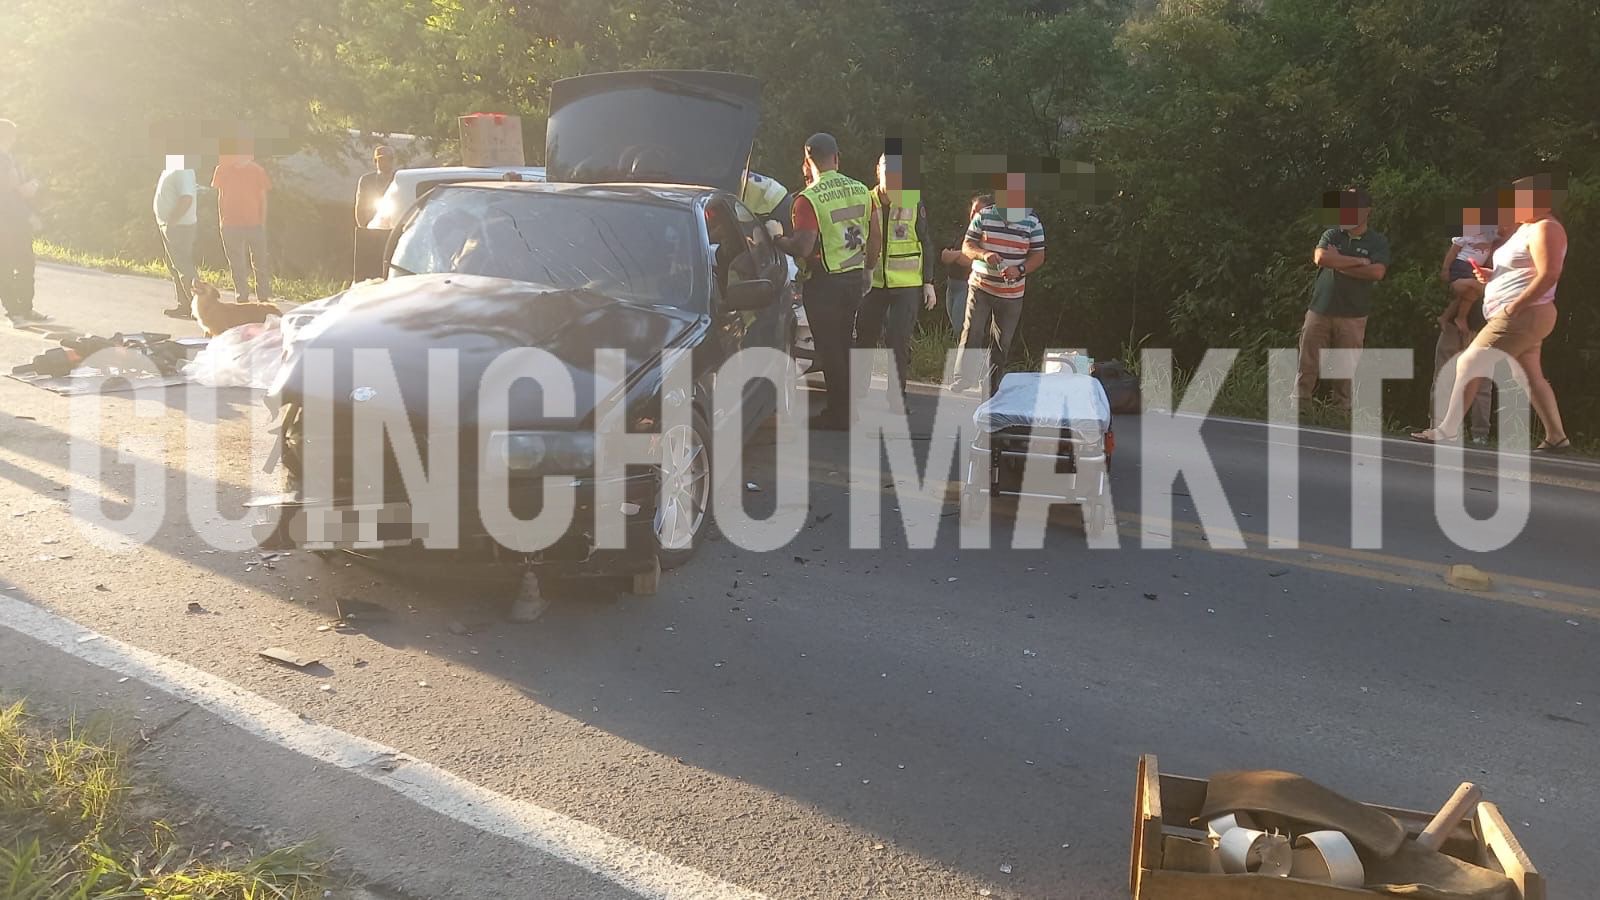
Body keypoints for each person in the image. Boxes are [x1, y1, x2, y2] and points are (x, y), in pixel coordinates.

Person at [1413, 174, 1571, 453]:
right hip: (1524, 314)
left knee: (1469, 362)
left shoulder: (1546, 228)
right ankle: (1556, 436)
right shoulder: (1525, 229)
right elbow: (1522, 269)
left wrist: (1514, 307)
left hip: (1525, 314)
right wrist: (1491, 275)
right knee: (1529, 375)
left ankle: (1448, 430)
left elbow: (1549, 274)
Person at [774, 133, 879, 430]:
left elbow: (803, 247)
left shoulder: (809, 198)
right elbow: (875, 236)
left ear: (807, 161)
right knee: (844, 345)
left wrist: (777, 239)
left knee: (831, 350)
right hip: (854, 278)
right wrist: (869, 270)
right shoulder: (861, 190)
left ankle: (839, 415)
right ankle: (847, 410)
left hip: (825, 283)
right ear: (836, 157)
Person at [854, 150, 937, 412]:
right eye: (887, 170)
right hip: (872, 282)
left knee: (898, 340)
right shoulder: (865, 200)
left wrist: (928, 282)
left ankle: (896, 399)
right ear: (877, 171)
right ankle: (857, 394)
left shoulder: (912, 200)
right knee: (865, 337)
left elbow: (925, 241)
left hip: (906, 284)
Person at [1295, 187, 1389, 412]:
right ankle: (1300, 406)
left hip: (1354, 314)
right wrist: (1359, 262)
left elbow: (1377, 272)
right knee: (1307, 360)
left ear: (1366, 211)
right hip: (1320, 308)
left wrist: (1338, 262)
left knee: (1345, 367)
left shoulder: (1376, 241)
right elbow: (1320, 258)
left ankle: (1340, 413)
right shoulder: (1332, 234)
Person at [954, 173, 1045, 394]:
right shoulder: (984, 216)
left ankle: (992, 385)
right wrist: (984, 254)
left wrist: (1020, 270)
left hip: (1012, 292)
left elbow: (1038, 256)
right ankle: (963, 377)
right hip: (981, 285)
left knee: (1002, 341)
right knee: (973, 330)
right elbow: (967, 245)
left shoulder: (1032, 222)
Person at [1427, 196, 1498, 443]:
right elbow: (1451, 278)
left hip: (1484, 325)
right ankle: (1438, 426)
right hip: (1456, 324)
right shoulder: (1468, 236)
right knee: (1444, 375)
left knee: (1481, 382)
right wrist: (1447, 272)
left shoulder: (1507, 246)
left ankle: (1480, 435)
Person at [212, 148, 273, 301]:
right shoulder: (222, 170)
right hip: (230, 224)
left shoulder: (257, 171)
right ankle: (242, 297)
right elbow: (220, 197)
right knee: (237, 264)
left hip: (254, 224)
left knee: (260, 263)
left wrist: (262, 223)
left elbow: (263, 198)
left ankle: (263, 299)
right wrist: (221, 221)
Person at [0, 119, 45, 324]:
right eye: (12, 135)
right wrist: (28, 213)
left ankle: (26, 308)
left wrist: (32, 185)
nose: (14, 139)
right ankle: (14, 311)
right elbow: (6, 194)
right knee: (5, 265)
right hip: (5, 220)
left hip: (18, 219)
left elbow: (21, 185)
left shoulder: (12, 159)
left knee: (26, 263)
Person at [154, 155, 200, 318]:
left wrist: (172, 221)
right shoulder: (171, 168)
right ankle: (185, 305)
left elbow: (186, 198)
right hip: (169, 225)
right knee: (175, 267)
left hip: (179, 226)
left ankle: (200, 307)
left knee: (184, 268)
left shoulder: (182, 169)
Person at [940, 193, 992, 332]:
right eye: (973, 210)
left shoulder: (985, 237)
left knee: (961, 329)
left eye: (979, 212)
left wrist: (957, 254)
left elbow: (966, 261)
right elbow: (944, 255)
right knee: (956, 327)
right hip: (952, 285)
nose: (974, 214)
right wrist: (961, 253)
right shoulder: (965, 231)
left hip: (966, 286)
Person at [353, 145, 397, 281]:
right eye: (381, 159)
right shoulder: (367, 180)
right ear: (375, 161)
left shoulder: (398, 179)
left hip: (394, 228)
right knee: (371, 268)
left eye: (389, 159)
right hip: (373, 230)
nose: (386, 162)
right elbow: (360, 207)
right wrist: (364, 230)